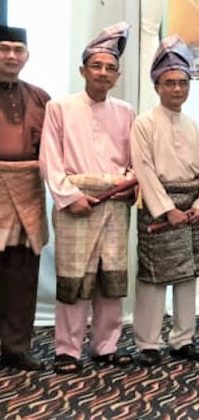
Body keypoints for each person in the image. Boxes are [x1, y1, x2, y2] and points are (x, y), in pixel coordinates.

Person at [39, 22, 136, 374]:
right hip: (76, 204)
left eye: (110, 68)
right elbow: (49, 159)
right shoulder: (59, 107)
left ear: (117, 76)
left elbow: (133, 161)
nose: (103, 73)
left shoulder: (125, 111)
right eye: (96, 66)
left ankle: (106, 346)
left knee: (111, 278)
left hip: (115, 203)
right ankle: (67, 350)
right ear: (83, 70)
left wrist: (128, 185)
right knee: (74, 278)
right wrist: (69, 197)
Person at [130, 36, 199, 366]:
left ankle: (183, 339)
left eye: (182, 83)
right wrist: (167, 210)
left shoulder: (195, 126)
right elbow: (143, 170)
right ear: (157, 86)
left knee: (188, 276)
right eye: (170, 83)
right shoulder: (144, 123)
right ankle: (148, 342)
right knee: (153, 277)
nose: (177, 89)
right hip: (159, 209)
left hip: (190, 210)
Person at [0, 25, 50, 371]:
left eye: (18, 50)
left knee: (22, 275)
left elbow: (55, 150)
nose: (11, 56)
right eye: (4, 49)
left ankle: (16, 347)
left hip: (29, 195)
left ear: (27, 56)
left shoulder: (40, 98)